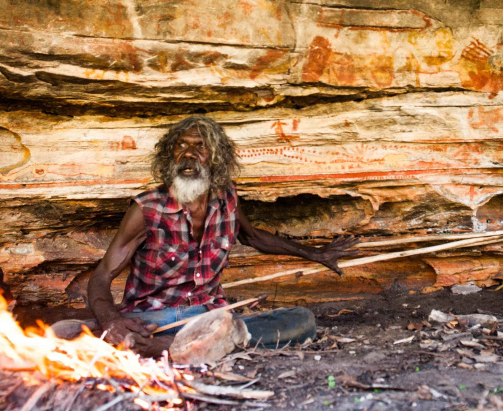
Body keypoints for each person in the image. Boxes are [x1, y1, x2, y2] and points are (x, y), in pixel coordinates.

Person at [81, 116, 359, 356]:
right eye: (181, 145)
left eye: (200, 146)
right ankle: (186, 345)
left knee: (301, 320)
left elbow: (252, 236)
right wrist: (111, 321)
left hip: (210, 316)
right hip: (155, 319)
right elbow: (102, 275)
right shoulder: (147, 209)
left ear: (216, 158)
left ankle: (167, 347)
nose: (189, 154)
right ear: (169, 155)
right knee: (79, 333)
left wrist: (316, 254)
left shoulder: (226, 197)